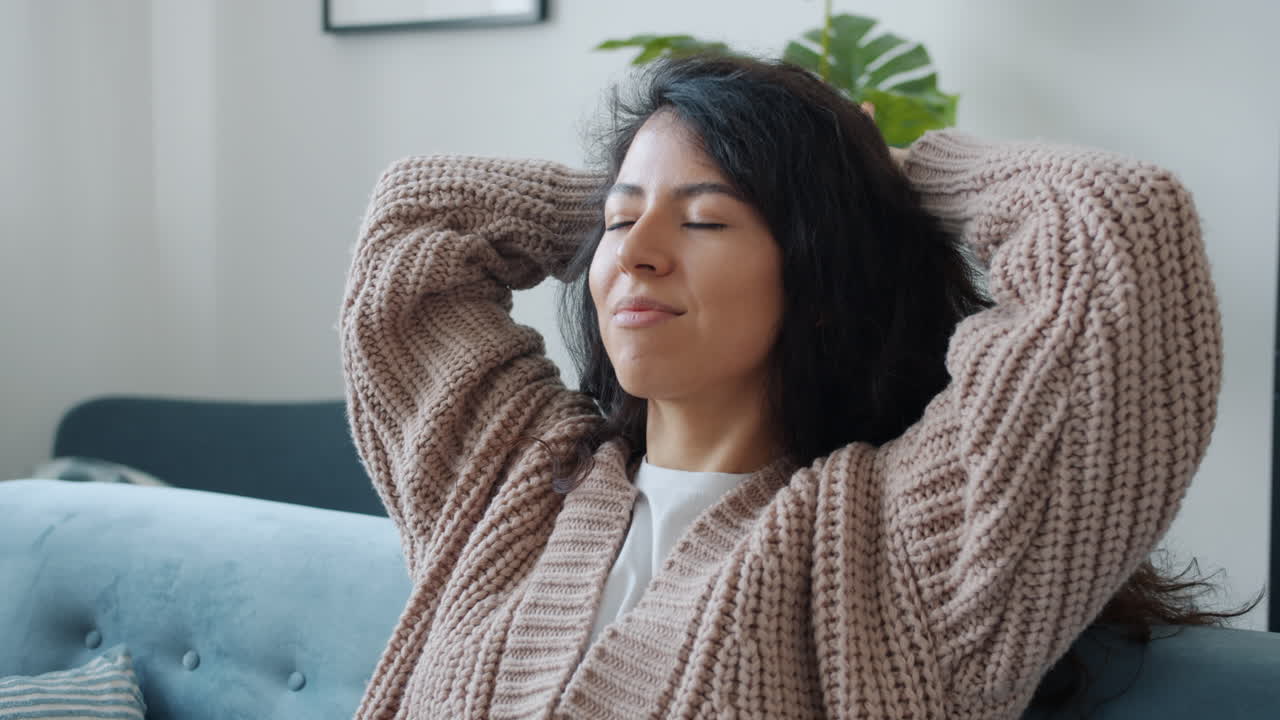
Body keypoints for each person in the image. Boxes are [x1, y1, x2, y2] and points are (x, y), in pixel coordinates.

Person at [339, 55, 1231, 719]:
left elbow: (1119, 226)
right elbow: (415, 228)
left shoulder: (899, 552)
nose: (636, 254)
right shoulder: (511, 482)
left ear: (817, 281)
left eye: (704, 219)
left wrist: (868, 185)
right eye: (619, 222)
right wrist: (630, 198)